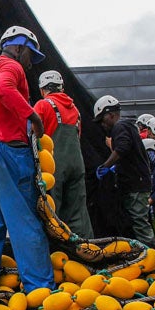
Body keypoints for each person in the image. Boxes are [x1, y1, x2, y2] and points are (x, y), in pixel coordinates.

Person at [0, 26, 54, 293]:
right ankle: (39, 287)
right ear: (18, 47)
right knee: (23, 218)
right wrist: (34, 116)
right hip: (7, 150)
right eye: (30, 54)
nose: (31, 62)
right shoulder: (11, 67)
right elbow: (6, 90)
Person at [32, 70, 93, 238]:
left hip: (55, 163)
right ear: (62, 88)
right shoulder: (75, 110)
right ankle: (84, 249)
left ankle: (55, 249)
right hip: (76, 163)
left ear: (43, 89)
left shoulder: (43, 105)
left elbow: (33, 135)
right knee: (77, 210)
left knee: (52, 208)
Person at [93, 95, 154, 240]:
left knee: (139, 223)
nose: (102, 125)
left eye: (103, 120)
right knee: (134, 222)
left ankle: (154, 255)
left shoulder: (120, 127)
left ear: (111, 115)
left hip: (136, 186)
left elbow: (123, 147)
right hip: (134, 183)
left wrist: (106, 166)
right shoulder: (128, 127)